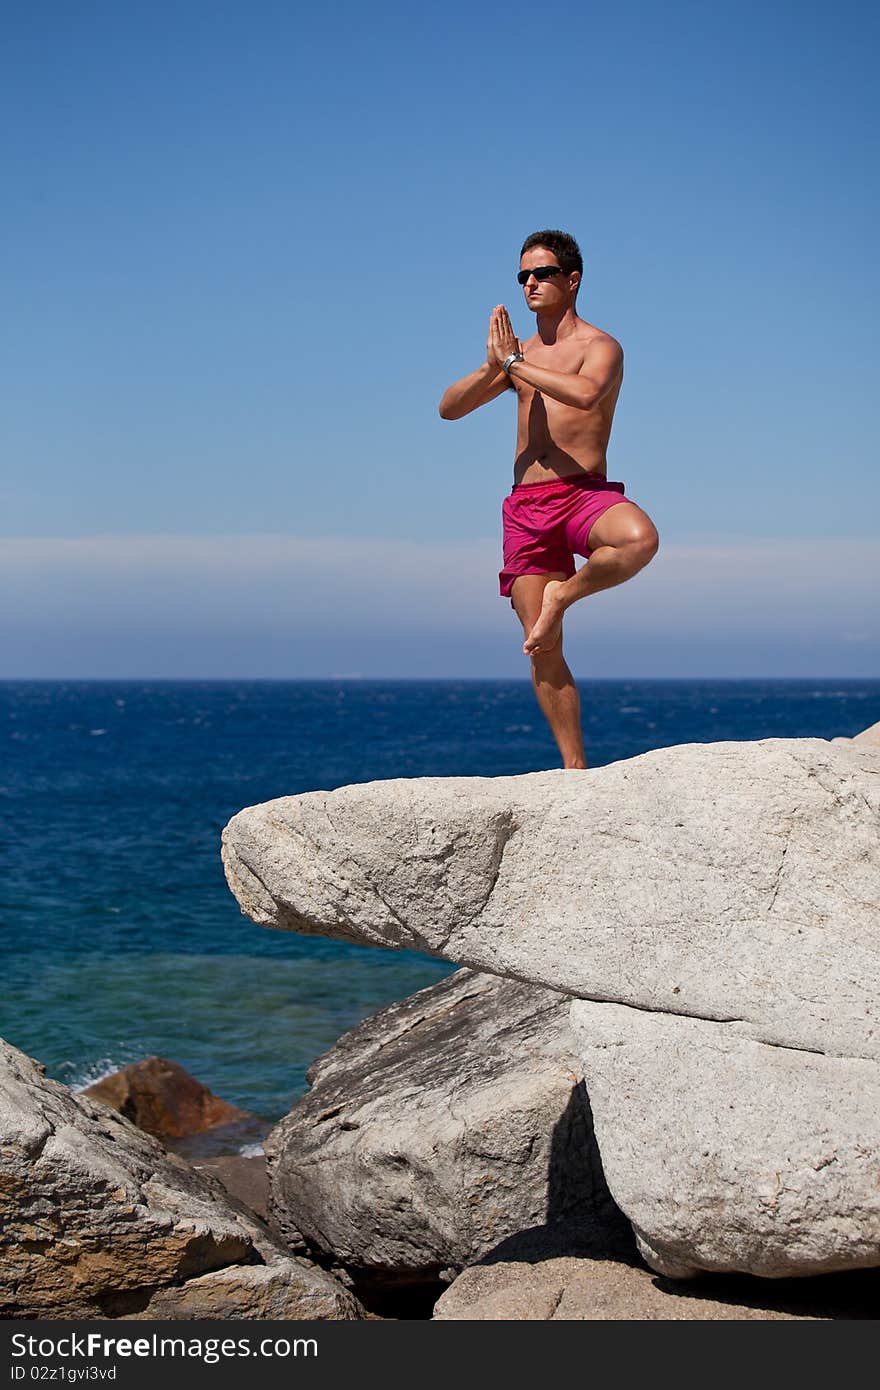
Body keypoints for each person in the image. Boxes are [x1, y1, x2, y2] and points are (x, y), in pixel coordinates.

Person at [438, 229, 659, 769]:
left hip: (582, 493)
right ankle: (575, 770)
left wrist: (514, 367)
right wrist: (498, 365)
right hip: (527, 507)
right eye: (523, 277)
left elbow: (586, 395)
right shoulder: (521, 358)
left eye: (541, 274)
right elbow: (449, 407)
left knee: (638, 541)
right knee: (543, 646)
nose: (530, 284)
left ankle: (567, 594)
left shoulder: (600, 347)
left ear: (573, 279)